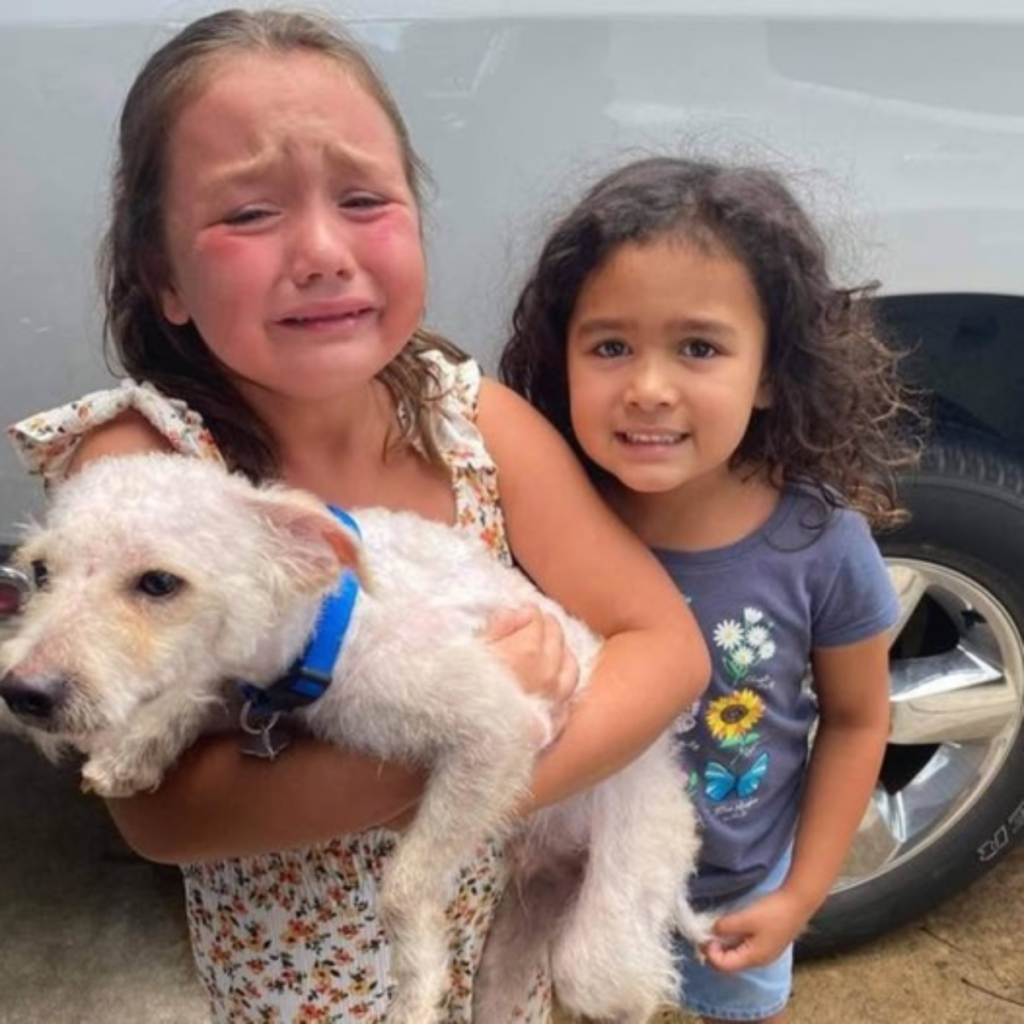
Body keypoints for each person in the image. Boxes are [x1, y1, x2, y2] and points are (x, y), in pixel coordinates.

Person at [6, 14, 710, 1024]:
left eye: (365, 199)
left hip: (479, 941)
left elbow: (668, 650)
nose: (323, 250)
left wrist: (490, 745)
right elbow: (160, 816)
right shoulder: (153, 473)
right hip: (300, 987)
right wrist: (463, 737)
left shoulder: (472, 419)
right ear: (162, 276)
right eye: (249, 212)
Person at [500, 155, 922, 1023]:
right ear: (562, 357)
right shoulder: (543, 522)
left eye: (699, 347)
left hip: (740, 888)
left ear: (771, 371)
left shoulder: (821, 543)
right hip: (571, 884)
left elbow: (857, 717)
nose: (649, 389)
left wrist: (802, 892)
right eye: (611, 346)